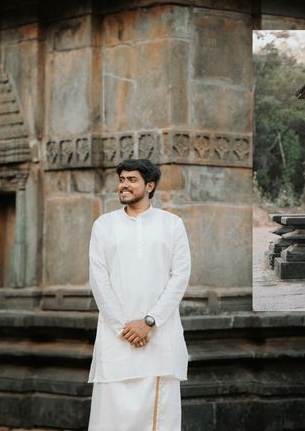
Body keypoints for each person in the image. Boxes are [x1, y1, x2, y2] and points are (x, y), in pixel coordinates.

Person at [87, 158, 191, 431]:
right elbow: (98, 281)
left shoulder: (172, 224)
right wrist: (125, 328)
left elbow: (180, 278)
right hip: (116, 338)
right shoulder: (104, 225)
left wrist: (149, 321)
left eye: (131, 180)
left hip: (159, 338)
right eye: (122, 179)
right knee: (112, 415)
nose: (124, 185)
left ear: (150, 185)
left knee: (158, 418)